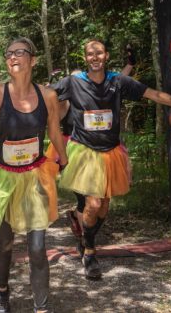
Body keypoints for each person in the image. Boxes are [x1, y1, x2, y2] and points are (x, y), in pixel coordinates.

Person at [51, 39, 171, 280]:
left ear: (106, 55)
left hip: (111, 153)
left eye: (99, 52)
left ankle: (85, 236)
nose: (95, 57)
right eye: (90, 54)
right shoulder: (73, 82)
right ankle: (89, 252)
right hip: (84, 152)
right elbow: (43, 93)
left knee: (104, 208)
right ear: (85, 58)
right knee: (93, 205)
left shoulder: (117, 81)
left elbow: (152, 93)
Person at [0, 38, 67, 313]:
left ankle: (41, 307)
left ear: (33, 60)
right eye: (9, 53)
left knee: (37, 246)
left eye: (20, 52)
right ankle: (1, 291)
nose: (13, 57)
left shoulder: (47, 95)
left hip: (35, 174)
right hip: (3, 177)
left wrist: (64, 158)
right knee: (5, 241)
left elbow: (55, 132)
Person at [47, 46, 136, 245]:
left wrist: (129, 65)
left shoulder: (96, 94)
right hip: (75, 151)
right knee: (84, 200)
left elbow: (116, 83)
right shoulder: (66, 102)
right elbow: (52, 109)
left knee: (103, 200)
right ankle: (86, 241)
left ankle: (86, 233)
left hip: (102, 150)